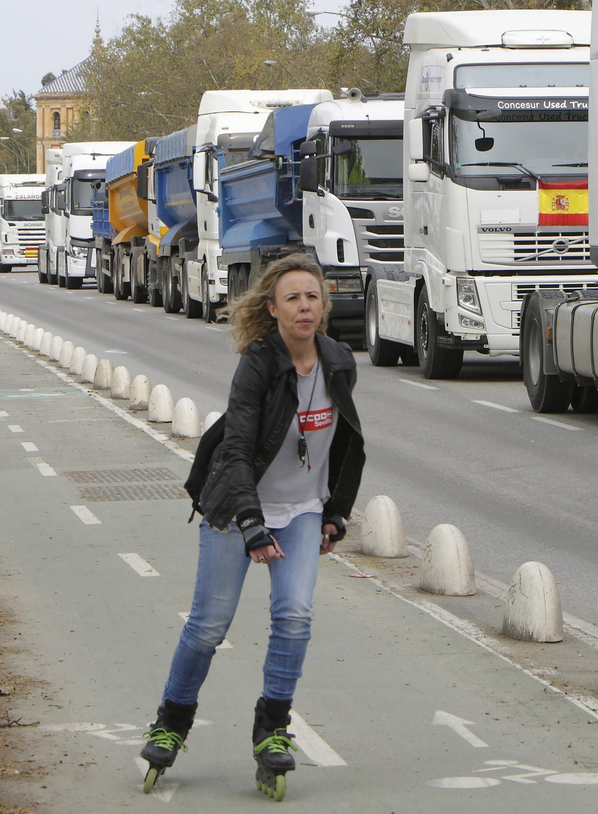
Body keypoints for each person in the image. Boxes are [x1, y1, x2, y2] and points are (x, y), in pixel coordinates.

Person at [139, 253, 365, 800]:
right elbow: (237, 448)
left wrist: (335, 511)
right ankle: (171, 722)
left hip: (302, 511)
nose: (304, 306)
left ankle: (272, 729)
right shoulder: (258, 364)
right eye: (292, 298)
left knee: (295, 615)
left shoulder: (338, 361)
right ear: (273, 309)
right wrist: (251, 523)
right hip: (236, 509)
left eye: (312, 297)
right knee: (209, 625)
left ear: (323, 305)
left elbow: (348, 442)